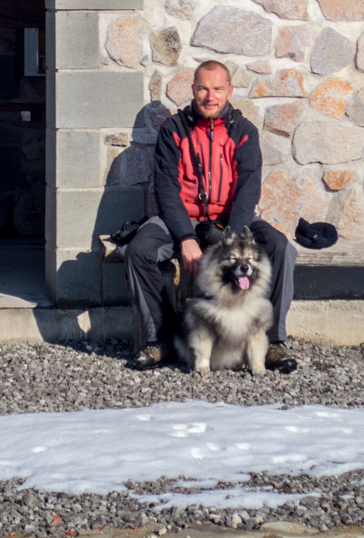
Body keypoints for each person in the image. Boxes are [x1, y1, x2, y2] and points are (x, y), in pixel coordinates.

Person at [125, 59, 298, 372]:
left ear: (229, 91)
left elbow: (248, 189)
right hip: (182, 220)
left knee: (280, 247)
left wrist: (230, 239)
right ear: (193, 90)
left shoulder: (244, 132)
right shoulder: (173, 130)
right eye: (203, 88)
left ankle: (272, 342)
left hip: (233, 223)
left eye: (218, 89)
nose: (210, 96)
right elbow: (167, 188)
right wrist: (186, 238)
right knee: (139, 250)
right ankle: (161, 339)